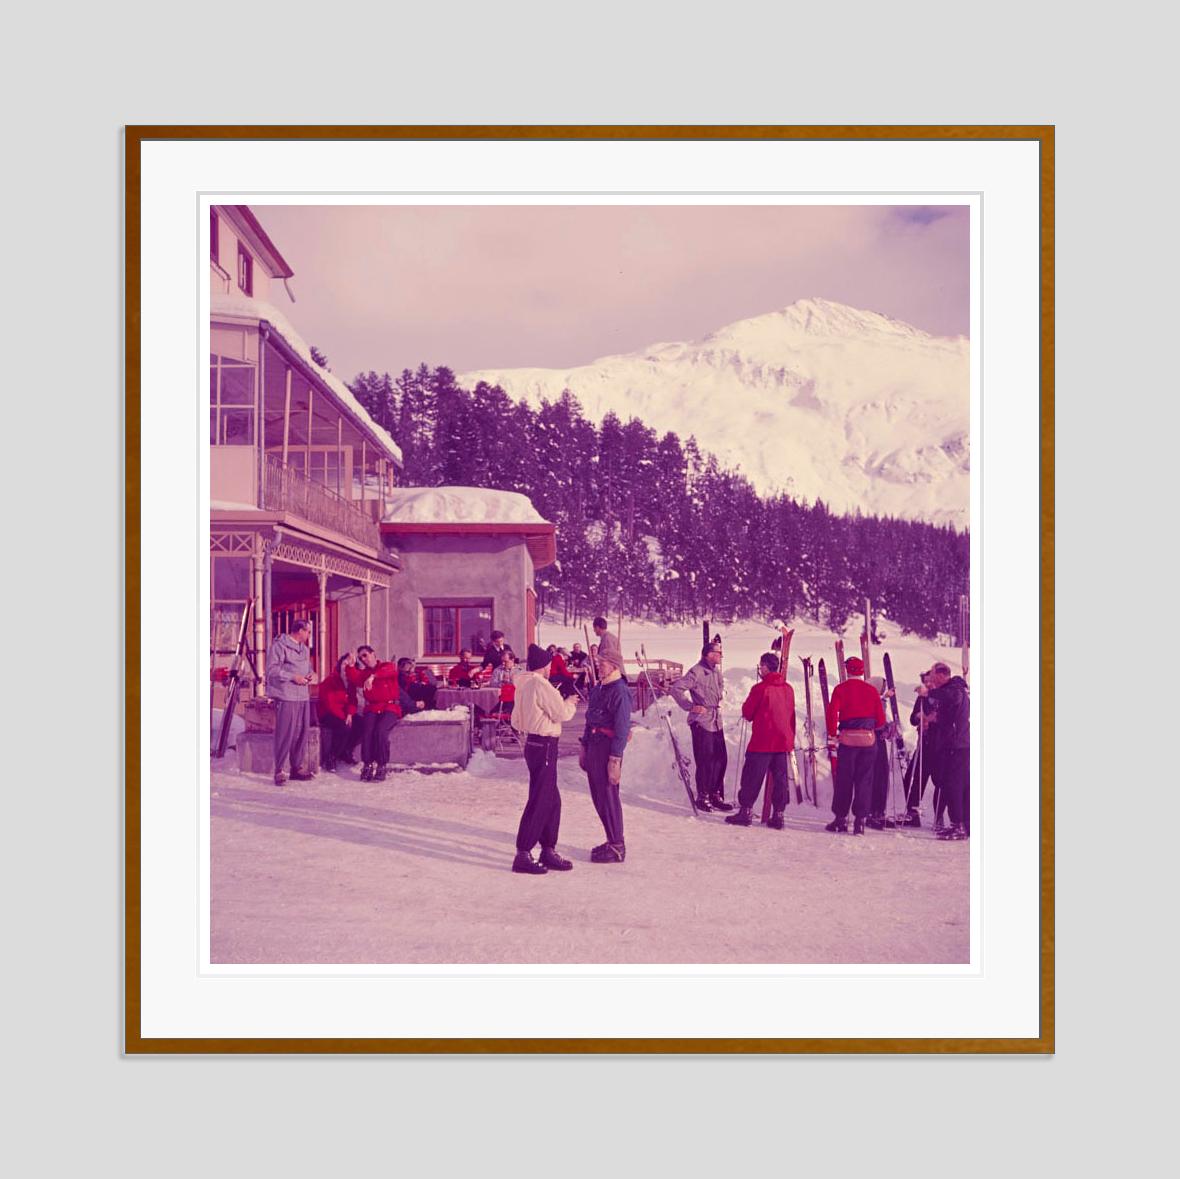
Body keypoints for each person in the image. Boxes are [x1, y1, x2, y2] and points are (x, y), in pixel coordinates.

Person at [509, 643, 579, 874]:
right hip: (546, 744)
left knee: (551, 798)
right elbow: (561, 713)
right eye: (549, 664)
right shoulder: (540, 684)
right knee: (541, 798)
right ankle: (523, 851)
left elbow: (515, 720)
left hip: (533, 744)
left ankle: (548, 848)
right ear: (543, 665)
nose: (551, 668)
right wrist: (569, 703)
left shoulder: (523, 683)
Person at [726, 651, 796, 829]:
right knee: (780, 780)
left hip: (763, 741)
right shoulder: (788, 688)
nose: (760, 668)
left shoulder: (760, 689)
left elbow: (748, 713)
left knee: (752, 777)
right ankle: (779, 815)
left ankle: (745, 812)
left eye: (761, 665)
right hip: (782, 741)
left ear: (765, 666)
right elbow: (791, 715)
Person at [579, 648, 632, 862]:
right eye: (598, 662)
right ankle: (611, 839)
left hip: (607, 749)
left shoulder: (619, 691)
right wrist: (584, 746)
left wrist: (615, 759)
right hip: (594, 745)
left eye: (602, 663)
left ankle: (617, 845)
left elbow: (621, 728)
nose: (598, 665)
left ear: (614, 666)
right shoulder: (598, 689)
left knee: (609, 796)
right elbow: (589, 718)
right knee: (599, 796)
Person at [824, 655, 886, 835]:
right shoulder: (872, 691)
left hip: (848, 742)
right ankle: (860, 822)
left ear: (847, 670)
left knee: (844, 780)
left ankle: (840, 819)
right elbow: (880, 720)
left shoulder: (840, 689)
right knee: (864, 781)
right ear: (862, 671)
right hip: (868, 742)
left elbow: (832, 715)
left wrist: (833, 734)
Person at [669, 641, 733, 812]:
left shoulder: (717, 672)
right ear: (708, 654)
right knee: (705, 760)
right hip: (701, 722)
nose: (720, 656)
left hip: (716, 720)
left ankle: (715, 795)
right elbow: (676, 689)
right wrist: (690, 706)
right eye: (718, 653)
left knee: (721, 759)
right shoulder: (696, 672)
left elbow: (720, 689)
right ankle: (702, 796)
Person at [923, 661, 970, 840]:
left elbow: (952, 697)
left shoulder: (955, 689)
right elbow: (951, 715)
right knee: (954, 786)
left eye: (934, 675)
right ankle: (960, 824)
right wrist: (936, 718)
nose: (932, 680)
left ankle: (958, 825)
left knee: (954, 786)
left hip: (957, 747)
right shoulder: (954, 689)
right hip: (956, 745)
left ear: (942, 675)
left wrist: (929, 693)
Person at [266, 618, 316, 786]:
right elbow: (272, 670)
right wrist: (293, 677)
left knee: (302, 732)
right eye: (308, 631)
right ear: (299, 631)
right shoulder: (280, 646)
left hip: (303, 695)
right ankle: (279, 770)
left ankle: (297, 768)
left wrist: (310, 674)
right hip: (286, 695)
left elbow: (308, 667)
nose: (309, 635)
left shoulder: (304, 649)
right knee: (285, 732)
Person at [349, 645, 402, 781]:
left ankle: (382, 765)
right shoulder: (364, 673)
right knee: (367, 733)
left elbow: (389, 671)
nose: (364, 659)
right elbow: (355, 680)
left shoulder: (387, 665)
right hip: (372, 708)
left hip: (390, 707)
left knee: (381, 731)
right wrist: (350, 666)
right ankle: (367, 764)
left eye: (365, 655)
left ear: (373, 654)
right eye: (361, 657)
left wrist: (374, 676)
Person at [901, 671, 937, 827]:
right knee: (911, 778)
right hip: (923, 743)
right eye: (925, 681)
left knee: (939, 782)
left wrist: (929, 719)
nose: (927, 684)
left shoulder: (942, 697)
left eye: (930, 681)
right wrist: (918, 716)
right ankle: (912, 813)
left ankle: (941, 817)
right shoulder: (921, 697)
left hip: (939, 746)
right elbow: (912, 719)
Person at [318, 653, 361, 772]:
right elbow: (330, 704)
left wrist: (350, 714)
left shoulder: (351, 682)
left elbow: (353, 700)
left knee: (363, 724)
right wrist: (345, 718)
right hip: (328, 713)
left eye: (349, 664)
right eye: (344, 663)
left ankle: (346, 750)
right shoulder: (330, 680)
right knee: (344, 727)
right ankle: (331, 757)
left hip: (344, 713)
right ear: (340, 665)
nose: (345, 666)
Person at [866, 675, 895, 829]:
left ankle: (879, 811)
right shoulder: (869, 701)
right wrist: (885, 727)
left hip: (879, 741)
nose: (884, 690)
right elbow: (874, 721)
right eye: (882, 687)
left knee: (882, 776)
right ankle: (871, 812)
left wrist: (889, 727)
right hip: (872, 741)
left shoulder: (881, 701)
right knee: (875, 776)